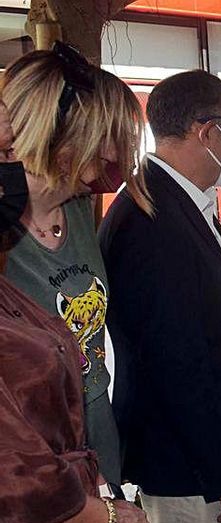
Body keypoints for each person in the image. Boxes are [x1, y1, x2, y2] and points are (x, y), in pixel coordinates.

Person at [100, 70, 221, 523]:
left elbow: (211, 299)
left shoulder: (183, 202)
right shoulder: (150, 218)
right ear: (207, 131)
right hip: (191, 469)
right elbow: (170, 360)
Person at [0, 42, 151, 493]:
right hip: (33, 475)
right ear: (73, 135)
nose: (120, 150)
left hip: (95, 445)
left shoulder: (82, 209)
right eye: (114, 133)